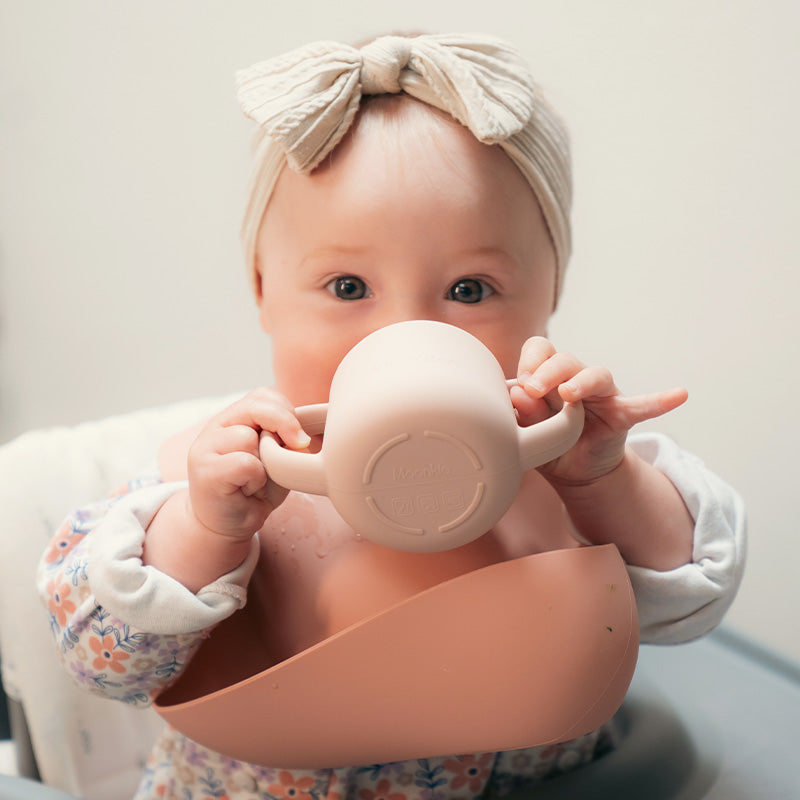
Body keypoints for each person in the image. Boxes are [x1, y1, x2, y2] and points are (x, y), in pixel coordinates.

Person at [38, 33, 745, 799]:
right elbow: (103, 663)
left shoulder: (560, 453)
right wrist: (206, 530)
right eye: (347, 287)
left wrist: (604, 480)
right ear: (262, 289)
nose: (404, 332)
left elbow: (693, 602)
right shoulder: (215, 471)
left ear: (552, 294)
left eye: (470, 291)